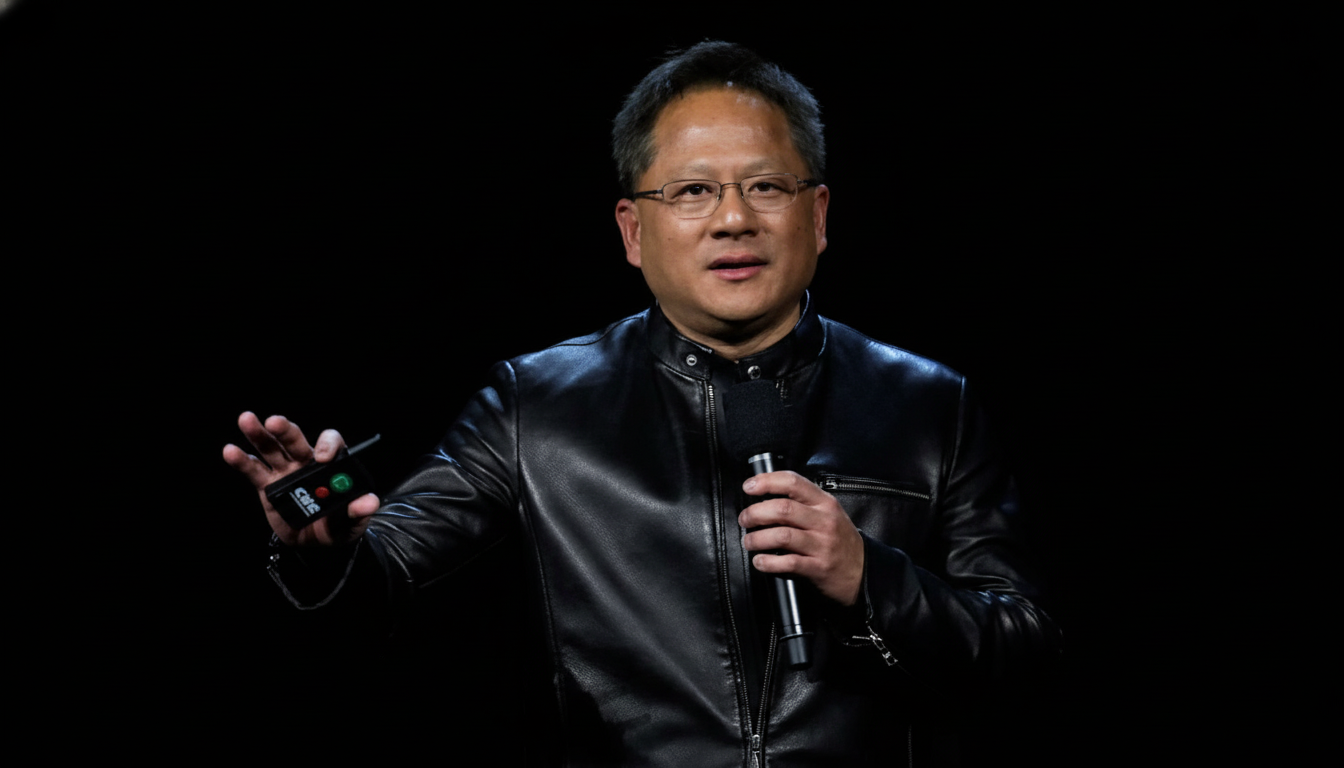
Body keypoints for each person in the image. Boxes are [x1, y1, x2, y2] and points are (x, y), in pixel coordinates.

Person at [224, 41, 1059, 767]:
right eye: (691, 192)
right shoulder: (536, 404)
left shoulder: (928, 403)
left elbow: (1024, 652)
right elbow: (384, 581)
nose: (733, 219)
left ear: (819, 214)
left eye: (765, 185)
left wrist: (868, 576)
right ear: (632, 231)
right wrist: (323, 552)